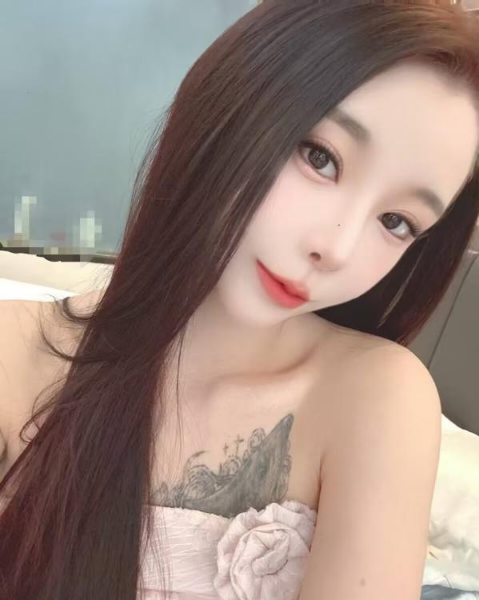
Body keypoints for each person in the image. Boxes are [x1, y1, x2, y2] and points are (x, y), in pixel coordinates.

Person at [0, 1, 478, 599]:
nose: (336, 248)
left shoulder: (375, 396)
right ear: (233, 104)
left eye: (397, 221)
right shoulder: (15, 353)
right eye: (321, 157)